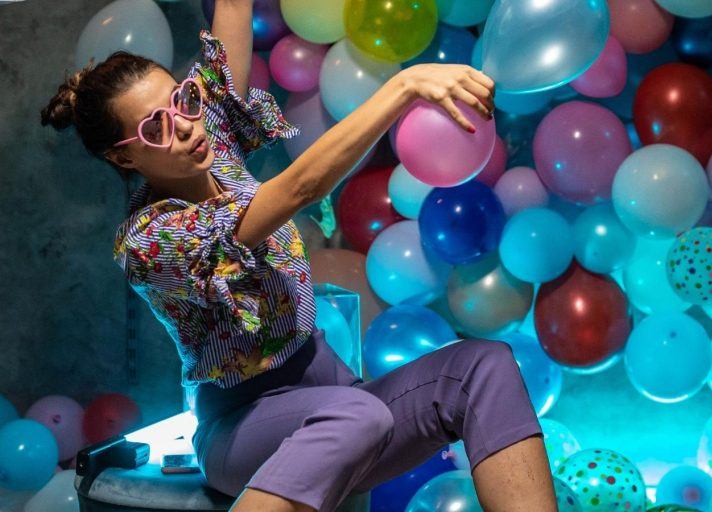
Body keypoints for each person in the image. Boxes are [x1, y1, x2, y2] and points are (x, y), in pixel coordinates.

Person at [40, 2, 558, 511]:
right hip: (241, 426)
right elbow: (298, 189)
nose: (185, 126)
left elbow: (230, 20)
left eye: (183, 99)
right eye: (156, 127)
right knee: (358, 416)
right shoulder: (150, 239)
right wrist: (402, 87)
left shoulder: (208, 140)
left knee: (483, 368)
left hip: (331, 390)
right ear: (123, 156)